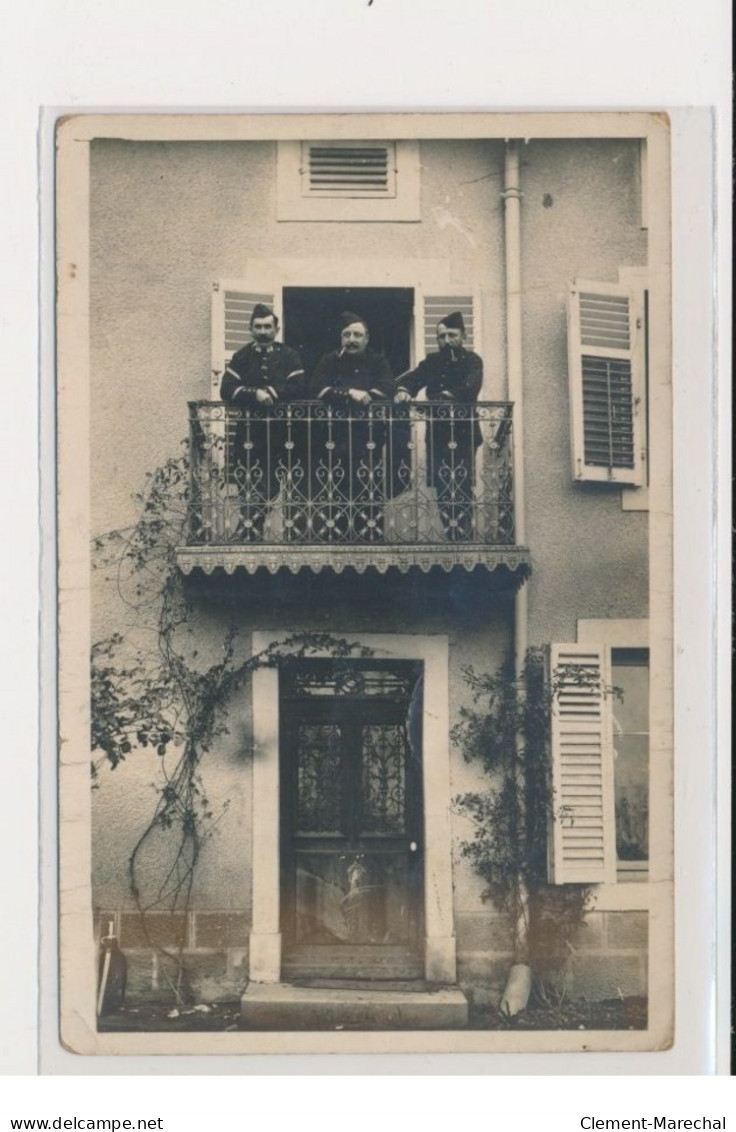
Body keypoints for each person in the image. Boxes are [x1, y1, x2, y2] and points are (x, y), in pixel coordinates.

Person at [394, 311, 483, 541]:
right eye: (441, 337)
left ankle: (464, 536)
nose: (446, 341)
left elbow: (469, 390)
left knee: (462, 484)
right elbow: (412, 378)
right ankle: (452, 533)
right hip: (439, 433)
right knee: (442, 487)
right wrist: (404, 390)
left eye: (451, 335)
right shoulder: (432, 362)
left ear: (463, 335)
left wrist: (438, 397)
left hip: (464, 432)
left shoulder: (473, 361)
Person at [219, 304, 305, 540]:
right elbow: (226, 389)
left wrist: (271, 392)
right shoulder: (242, 357)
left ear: (276, 329)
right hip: (249, 433)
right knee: (247, 483)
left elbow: (298, 387)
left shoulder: (289, 355)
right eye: (258, 327)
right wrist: (254, 394)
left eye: (268, 326)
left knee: (273, 484)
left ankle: (248, 530)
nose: (263, 331)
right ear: (250, 329)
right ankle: (250, 532)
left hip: (281, 433)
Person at [308, 312, 394, 541]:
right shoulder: (330, 360)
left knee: (369, 491)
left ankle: (371, 541)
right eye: (347, 335)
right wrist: (348, 394)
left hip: (368, 437)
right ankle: (337, 542)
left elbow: (388, 387)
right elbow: (316, 387)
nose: (351, 340)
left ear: (367, 338)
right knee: (335, 492)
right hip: (333, 437)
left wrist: (366, 395)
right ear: (341, 338)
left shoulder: (378, 361)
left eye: (357, 334)